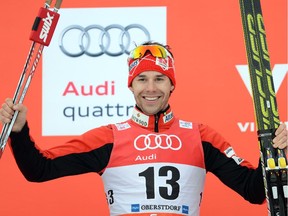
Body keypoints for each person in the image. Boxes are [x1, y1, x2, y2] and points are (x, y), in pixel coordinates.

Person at [0, 42, 287, 216]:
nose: (151, 88)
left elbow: (253, 191)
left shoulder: (200, 136)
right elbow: (39, 169)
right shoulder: (109, 137)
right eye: (142, 79)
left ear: (172, 84)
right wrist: (19, 131)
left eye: (160, 79)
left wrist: (274, 152)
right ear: (131, 85)